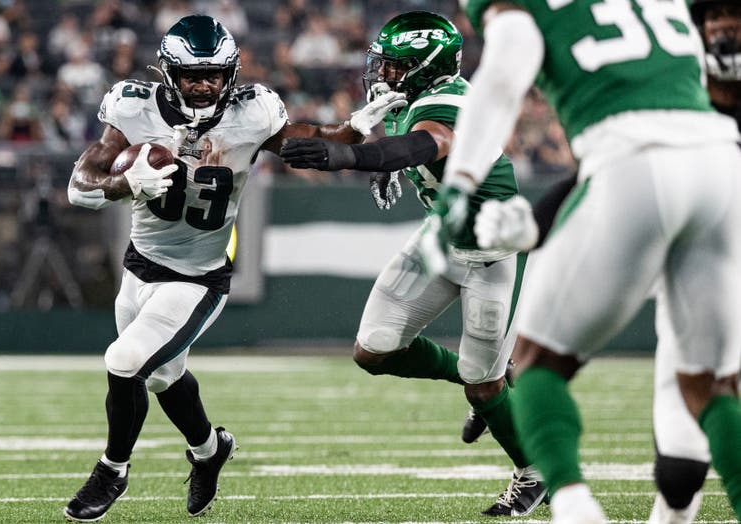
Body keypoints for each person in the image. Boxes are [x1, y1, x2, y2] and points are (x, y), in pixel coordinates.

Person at [62, 15, 396, 522]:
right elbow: (80, 183)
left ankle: (113, 469)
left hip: (198, 277)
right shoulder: (132, 106)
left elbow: (307, 142)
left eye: (215, 74)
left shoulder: (253, 112)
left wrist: (359, 135)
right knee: (163, 376)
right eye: (193, 74)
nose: (204, 85)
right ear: (168, 72)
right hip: (138, 266)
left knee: (125, 361)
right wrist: (123, 186)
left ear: (231, 73)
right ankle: (209, 451)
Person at [424, 0, 741, 520]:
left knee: (536, 367)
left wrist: (458, 184)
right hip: (721, 163)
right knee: (713, 390)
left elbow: (506, 71)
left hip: (632, 158)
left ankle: (574, 508)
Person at [279, 11, 547, 517]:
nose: (385, 74)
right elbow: (362, 138)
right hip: (441, 241)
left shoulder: (454, 99)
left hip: (495, 252)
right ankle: (483, 384)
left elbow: (421, 144)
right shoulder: (406, 95)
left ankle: (533, 472)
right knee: (373, 350)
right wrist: (324, 142)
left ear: (428, 67)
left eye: (398, 65)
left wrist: (360, 160)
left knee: (483, 381)